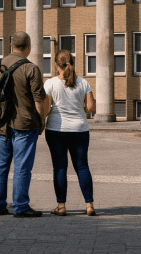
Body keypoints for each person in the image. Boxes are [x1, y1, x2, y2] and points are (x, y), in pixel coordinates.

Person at [0, 31, 46, 218]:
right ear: (29, 47)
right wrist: (41, 120)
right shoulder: (31, 69)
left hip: (0, 125)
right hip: (24, 124)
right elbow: (39, 100)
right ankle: (21, 206)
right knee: (22, 167)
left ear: (11, 46)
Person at [43, 49, 97, 216]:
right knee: (82, 166)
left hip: (56, 130)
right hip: (80, 129)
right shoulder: (84, 83)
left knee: (59, 167)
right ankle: (89, 206)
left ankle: (61, 206)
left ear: (56, 65)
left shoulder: (50, 83)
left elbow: (45, 110)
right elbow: (90, 108)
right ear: (72, 62)